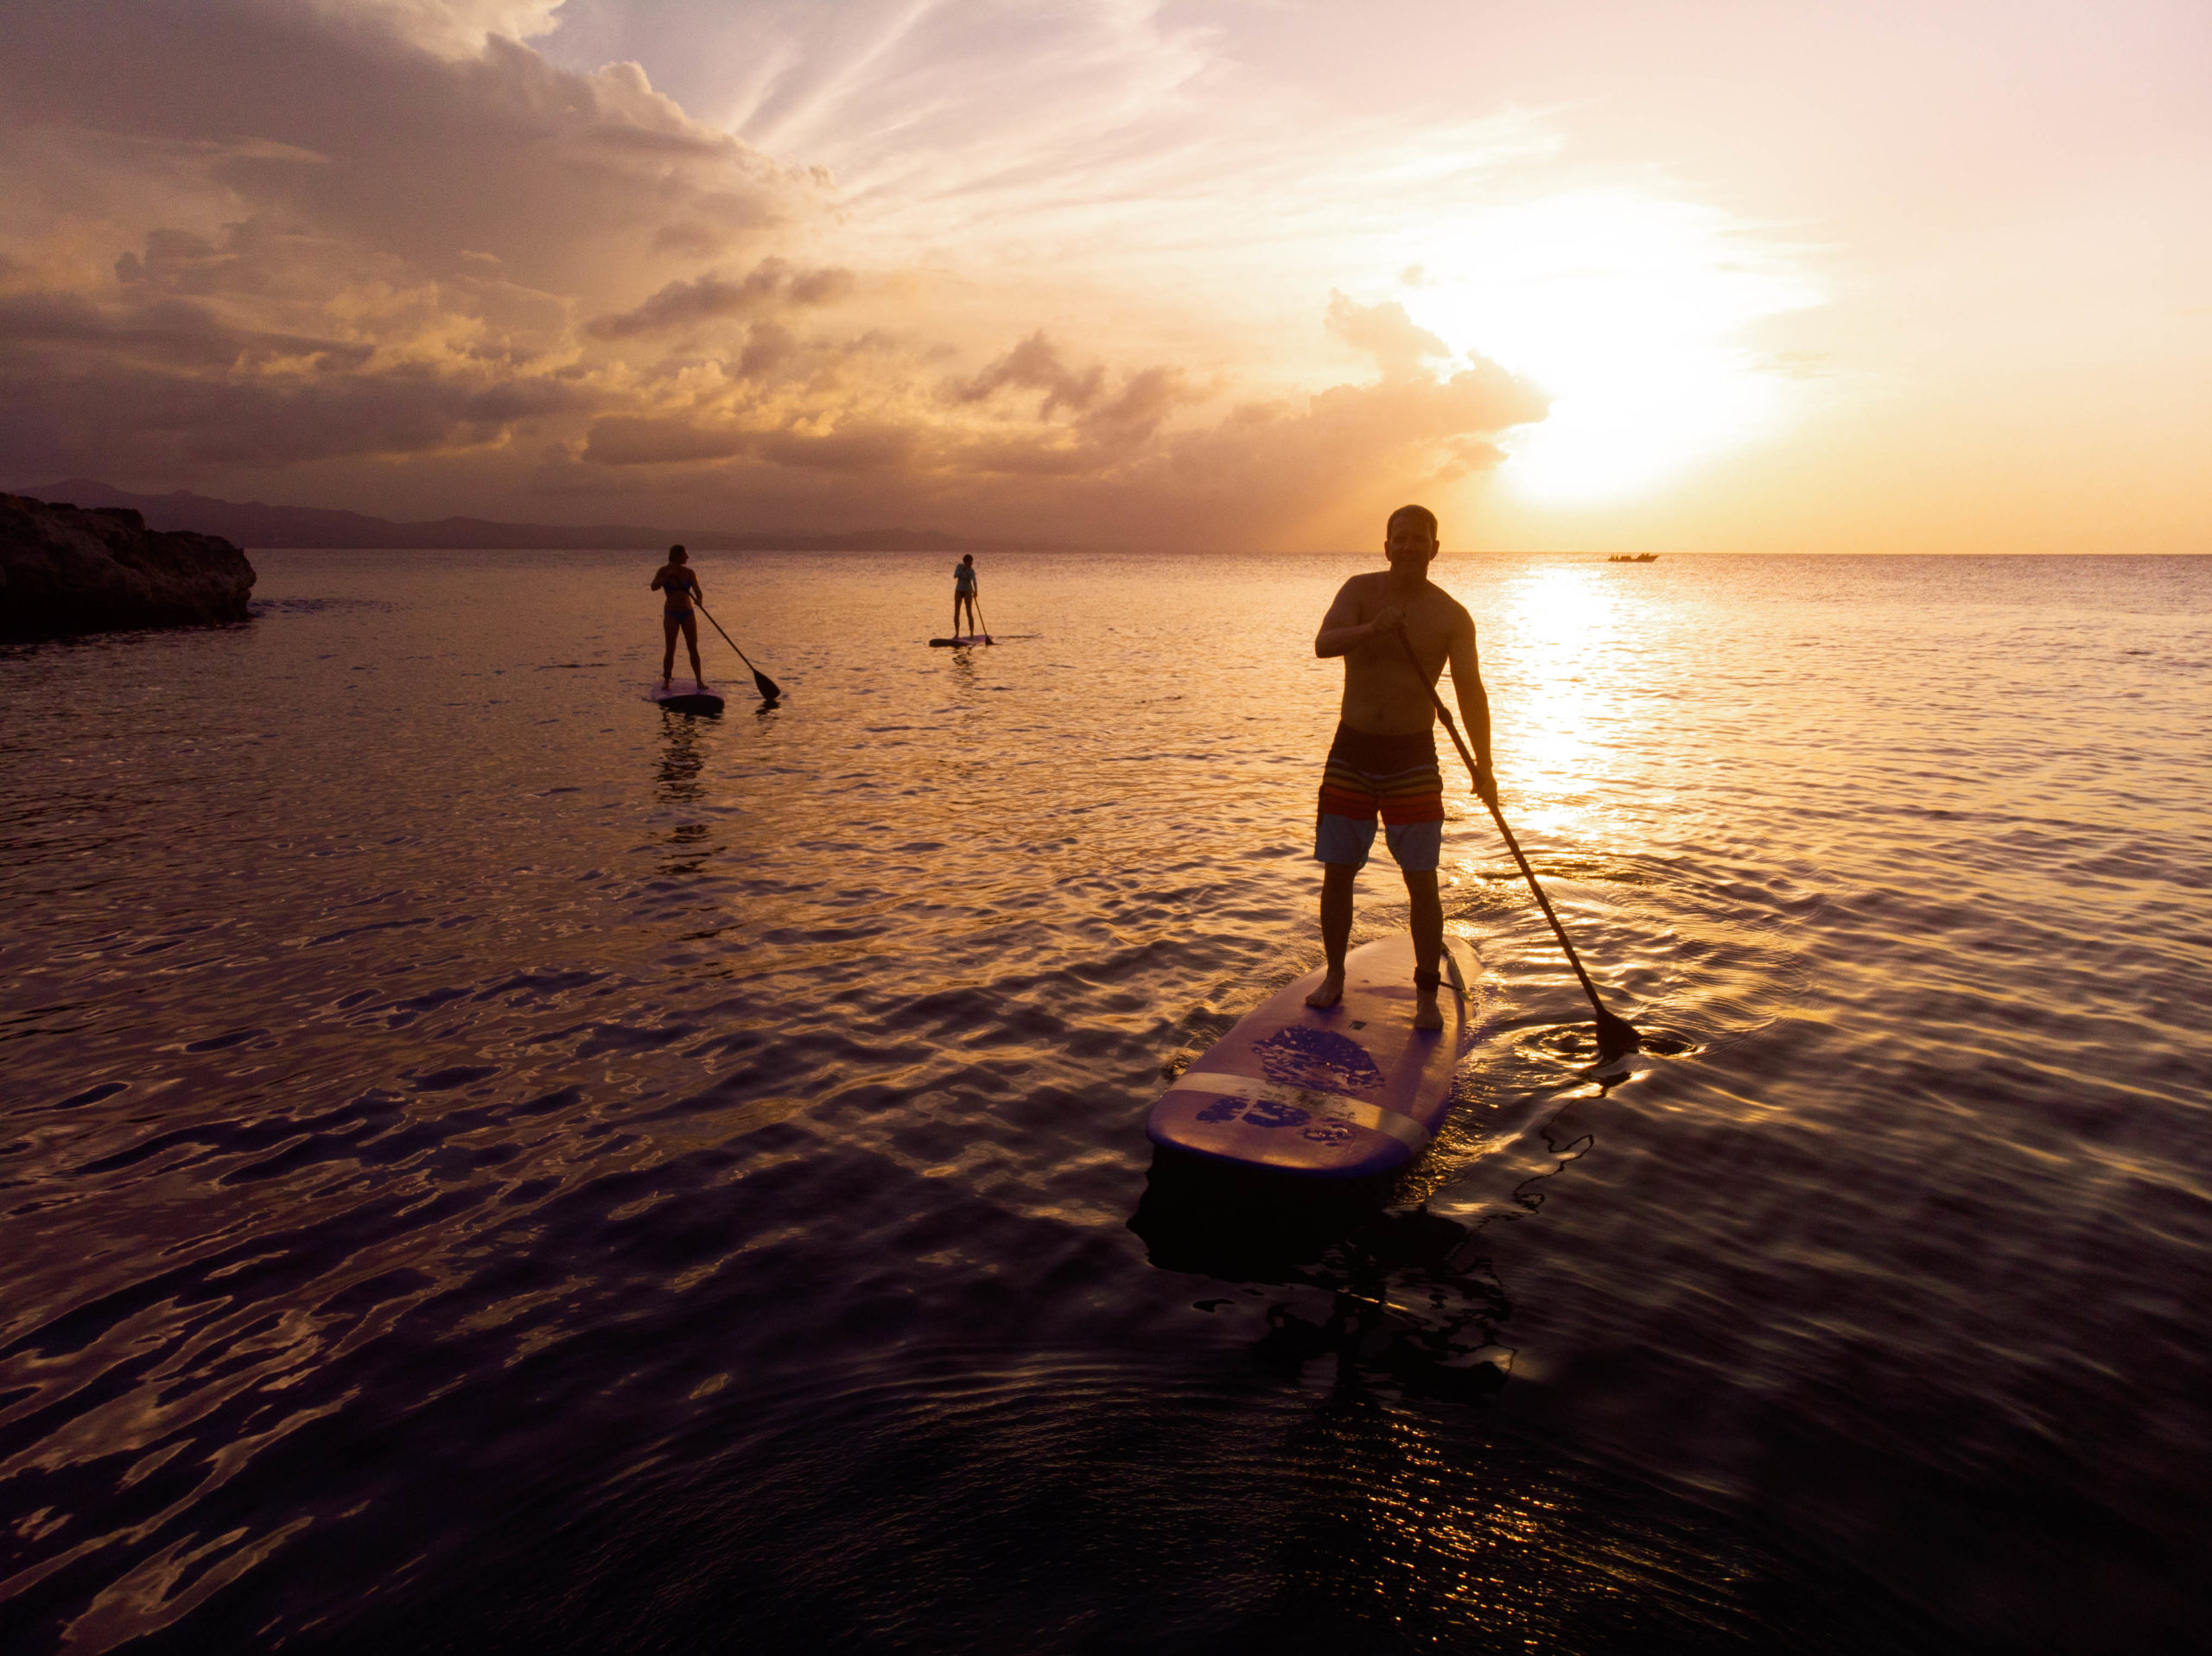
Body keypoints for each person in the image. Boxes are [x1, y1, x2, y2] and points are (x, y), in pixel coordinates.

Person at [1307, 504, 1497, 1031]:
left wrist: (1485, 766)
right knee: (1339, 873)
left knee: (1422, 880)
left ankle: (1426, 997)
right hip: (1353, 751)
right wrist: (1371, 629)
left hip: (1413, 756)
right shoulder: (1359, 590)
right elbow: (1323, 644)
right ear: (1386, 546)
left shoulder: (1451, 616)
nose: (1410, 547)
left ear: (1436, 548)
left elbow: (1470, 691)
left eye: (1421, 539)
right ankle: (1335, 975)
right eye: (1401, 538)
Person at [651, 544, 706, 689]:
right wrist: (666, 578)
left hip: (688, 613)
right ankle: (667, 680)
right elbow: (654, 586)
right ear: (677, 556)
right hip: (671, 614)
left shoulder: (690, 573)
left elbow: (698, 592)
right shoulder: (663, 571)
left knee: (693, 647)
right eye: (685, 554)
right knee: (671, 648)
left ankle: (699, 681)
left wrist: (699, 600)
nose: (687, 557)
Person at [951, 554, 981, 640]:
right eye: (969, 563)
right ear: (965, 562)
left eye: (971, 563)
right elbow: (955, 576)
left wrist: (975, 591)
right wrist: (962, 570)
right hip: (959, 591)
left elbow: (974, 581)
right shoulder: (959, 567)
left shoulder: (971, 571)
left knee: (969, 612)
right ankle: (957, 634)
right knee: (957, 612)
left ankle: (971, 634)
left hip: (968, 591)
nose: (970, 564)